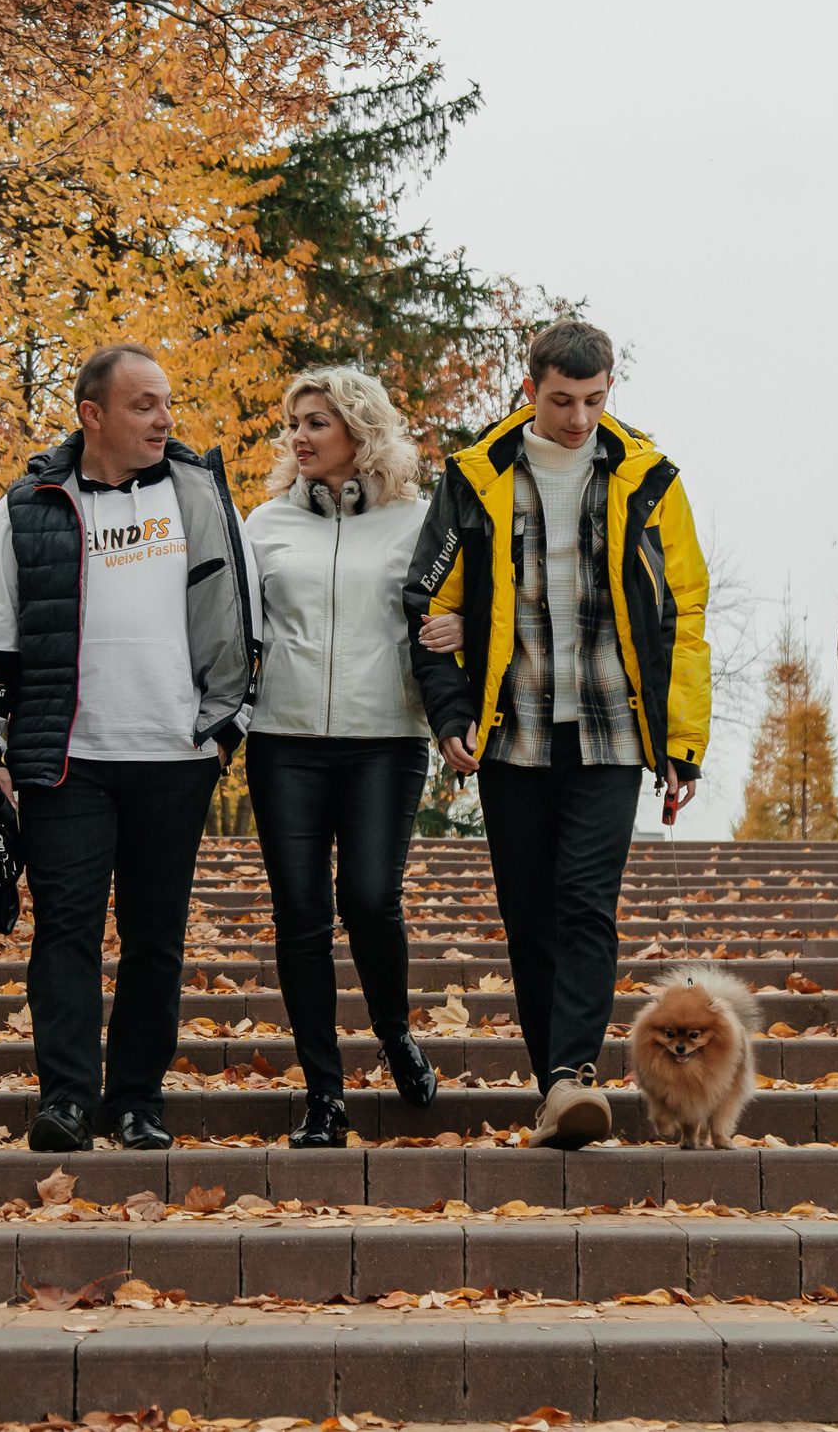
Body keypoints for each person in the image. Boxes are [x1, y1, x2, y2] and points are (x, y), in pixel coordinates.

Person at [404, 319, 712, 1149]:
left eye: (594, 399)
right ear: (530, 388)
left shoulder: (649, 479)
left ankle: (572, 1073)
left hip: (613, 728)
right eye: (562, 400)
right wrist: (449, 714)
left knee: (585, 904)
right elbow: (427, 602)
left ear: (611, 389)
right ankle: (556, 1086)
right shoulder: (475, 477)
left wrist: (682, 743)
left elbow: (683, 616)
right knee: (528, 912)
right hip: (514, 731)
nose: (579, 418)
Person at [0, 343, 259, 1155]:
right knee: (67, 929)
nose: (164, 418)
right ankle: (64, 1098)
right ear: (93, 414)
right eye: (143, 405)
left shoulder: (198, 493)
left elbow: (243, 614)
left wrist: (229, 727)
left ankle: (136, 1101)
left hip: (177, 754)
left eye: (166, 402)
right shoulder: (28, 506)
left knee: (156, 935)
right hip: (65, 757)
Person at [245, 367, 440, 1148]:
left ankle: (393, 1031)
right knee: (300, 917)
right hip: (283, 740)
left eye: (317, 422)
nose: (300, 436)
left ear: (361, 429)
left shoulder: (418, 522)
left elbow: (453, 611)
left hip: (385, 738)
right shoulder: (263, 523)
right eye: (295, 422)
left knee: (367, 897)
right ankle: (323, 1094)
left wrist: (455, 642)